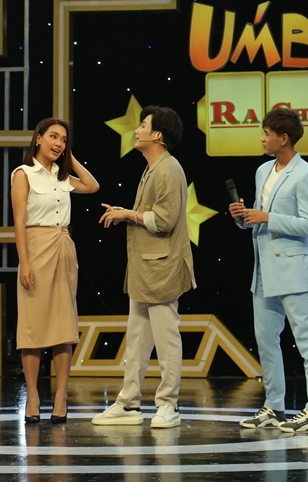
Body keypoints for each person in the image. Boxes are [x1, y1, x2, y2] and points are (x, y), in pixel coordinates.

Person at [92, 105, 196, 429]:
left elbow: (164, 220)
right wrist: (128, 212)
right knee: (137, 338)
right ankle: (128, 403)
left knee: (166, 337)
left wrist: (128, 214)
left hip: (162, 268)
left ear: (157, 135)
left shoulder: (168, 169)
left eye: (143, 126)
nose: (136, 131)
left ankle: (168, 404)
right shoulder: (152, 168)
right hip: (144, 268)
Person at [228, 106, 308, 433]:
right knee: (266, 340)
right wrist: (244, 218)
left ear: (283, 138)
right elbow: (259, 219)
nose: (262, 138)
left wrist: (268, 217)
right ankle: (274, 406)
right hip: (263, 271)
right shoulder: (262, 171)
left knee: (306, 339)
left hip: (292, 270)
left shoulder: (307, 174)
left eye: (267, 133)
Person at [10, 117, 100, 424]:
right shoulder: (23, 174)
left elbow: (92, 185)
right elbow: (18, 222)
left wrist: (70, 159)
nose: (58, 143)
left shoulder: (63, 177)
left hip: (62, 246)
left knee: (63, 327)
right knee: (33, 326)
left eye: (63, 139)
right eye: (53, 137)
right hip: (35, 248)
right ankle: (33, 397)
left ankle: (61, 397)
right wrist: (24, 262)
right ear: (38, 138)